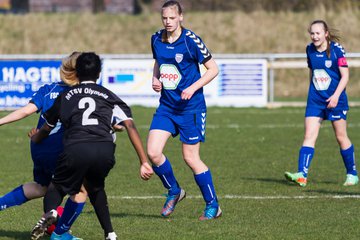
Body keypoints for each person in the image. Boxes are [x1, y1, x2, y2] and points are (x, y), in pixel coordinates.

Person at [30, 52, 153, 240]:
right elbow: (129, 125)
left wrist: (36, 138)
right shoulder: (109, 95)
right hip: (104, 149)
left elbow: (47, 127)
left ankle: (52, 213)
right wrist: (144, 161)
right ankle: (110, 233)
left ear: (77, 72)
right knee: (95, 188)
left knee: (56, 188)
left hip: (76, 148)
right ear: (99, 73)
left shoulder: (66, 96)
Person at [147, 0, 221, 220]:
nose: (168, 22)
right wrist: (155, 77)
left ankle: (213, 205)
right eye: (164, 18)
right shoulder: (155, 38)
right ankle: (174, 191)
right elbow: (158, 62)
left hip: (191, 108)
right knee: (153, 152)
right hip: (167, 107)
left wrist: (192, 87)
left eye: (172, 18)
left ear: (181, 17)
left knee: (190, 158)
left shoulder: (191, 41)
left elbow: (213, 69)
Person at [0, 52, 81, 213]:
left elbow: (25, 111)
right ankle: (57, 230)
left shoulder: (48, 89)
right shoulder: (83, 93)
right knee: (78, 190)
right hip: (60, 150)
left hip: (38, 146)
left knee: (41, 187)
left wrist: (1, 121)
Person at [284, 20, 358, 187]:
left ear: (325, 33)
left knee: (341, 137)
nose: (314, 36)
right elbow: (312, 72)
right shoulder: (309, 49)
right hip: (315, 100)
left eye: (318, 33)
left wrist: (335, 96)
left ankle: (352, 173)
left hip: (335, 100)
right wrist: (312, 93)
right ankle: (302, 175)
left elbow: (345, 76)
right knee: (309, 136)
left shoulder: (336, 50)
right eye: (312, 33)